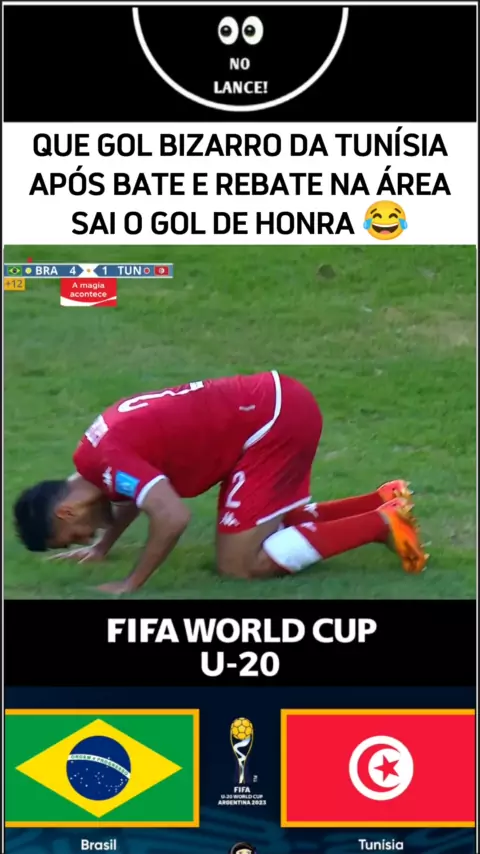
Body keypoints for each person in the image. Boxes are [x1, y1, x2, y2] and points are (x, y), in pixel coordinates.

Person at [13, 370, 428, 595]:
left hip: (273, 425)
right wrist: (102, 548)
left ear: (67, 511)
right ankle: (378, 501)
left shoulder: (108, 462)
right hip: (271, 406)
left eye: (73, 537)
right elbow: (130, 493)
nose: (82, 537)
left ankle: (383, 523)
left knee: (239, 564)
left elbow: (171, 517)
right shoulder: (93, 458)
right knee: (257, 532)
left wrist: (131, 583)